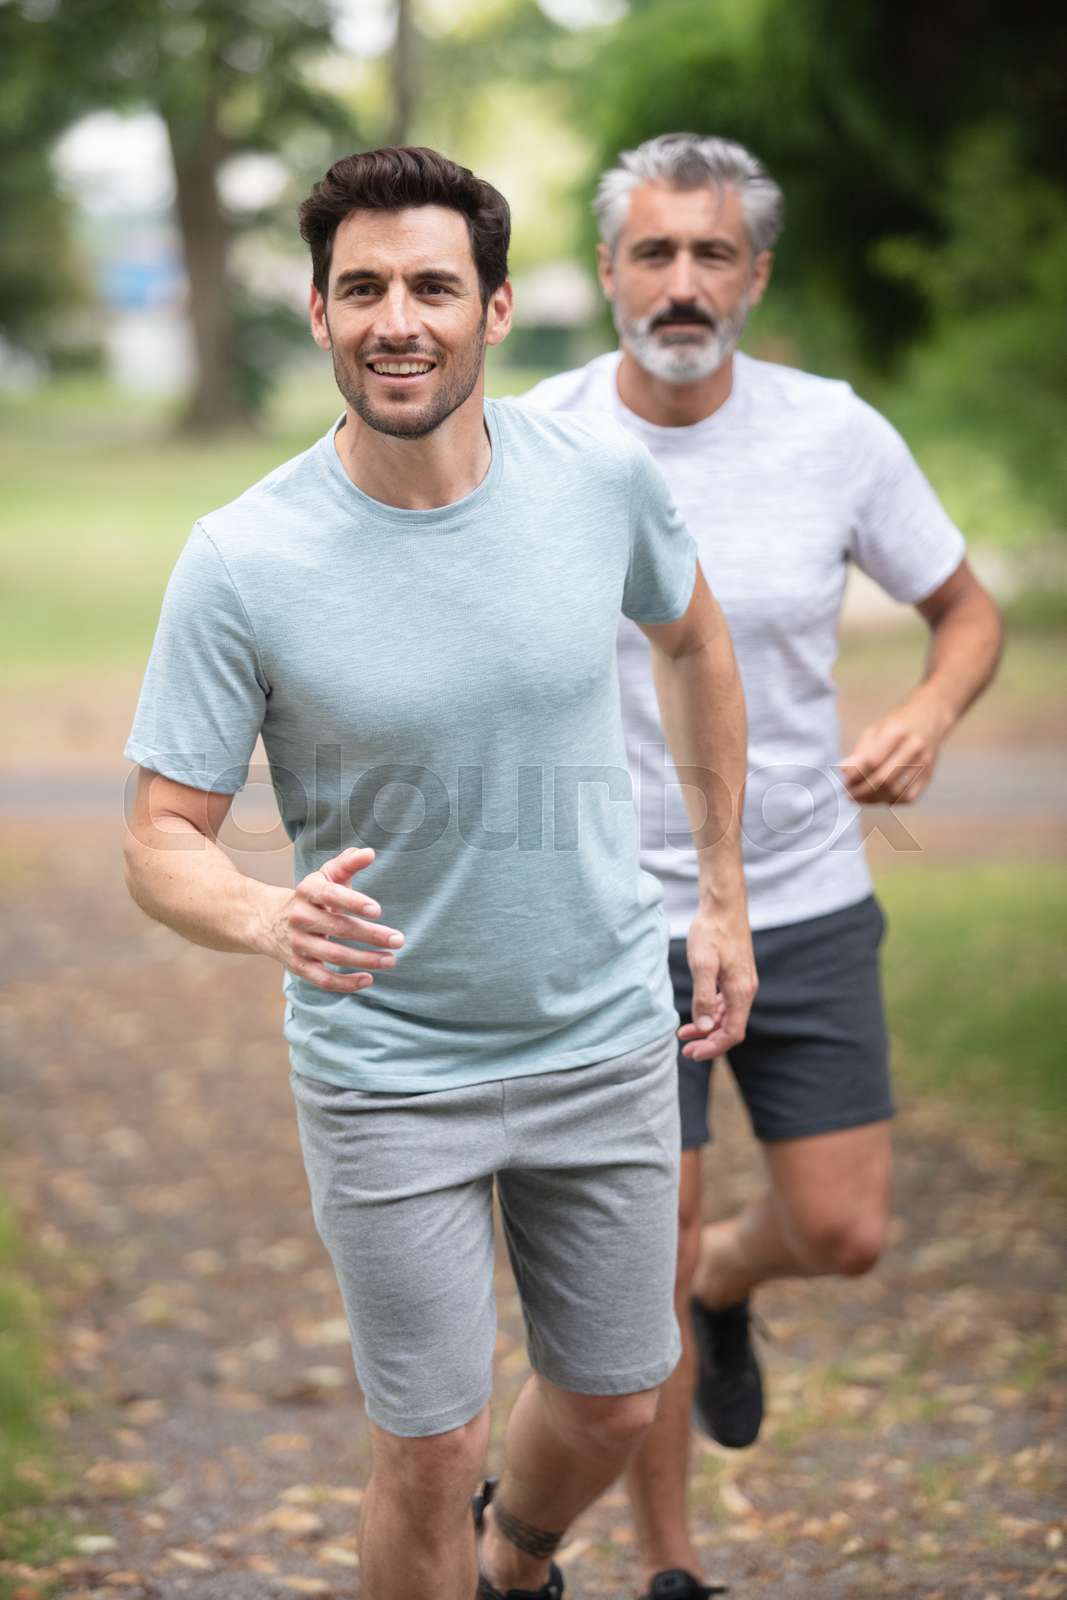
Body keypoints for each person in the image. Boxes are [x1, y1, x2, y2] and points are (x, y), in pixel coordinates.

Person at [122, 145, 757, 1600]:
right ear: (318, 311)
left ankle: (515, 1557)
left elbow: (694, 643)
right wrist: (266, 911)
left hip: (601, 1034)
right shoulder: (244, 556)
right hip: (386, 1067)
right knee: (423, 1442)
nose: (394, 317)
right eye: (361, 288)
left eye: (428, 285)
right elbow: (163, 836)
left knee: (611, 1401)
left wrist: (717, 893)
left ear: (495, 307)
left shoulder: (599, 479)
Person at [525, 132, 1004, 1600]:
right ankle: (673, 1568)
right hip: (611, 923)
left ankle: (737, 1286)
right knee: (641, 1256)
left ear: (756, 275)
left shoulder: (834, 434)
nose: (681, 284)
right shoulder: (535, 440)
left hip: (800, 894)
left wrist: (925, 711)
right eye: (654, 253)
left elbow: (967, 609)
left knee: (845, 1231)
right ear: (609, 271)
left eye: (710, 254)